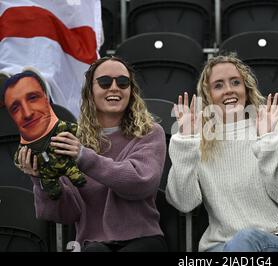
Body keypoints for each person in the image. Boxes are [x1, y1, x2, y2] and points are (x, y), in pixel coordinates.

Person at [17, 56, 168, 252]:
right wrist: (41, 178)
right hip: (92, 244)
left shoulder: (149, 133)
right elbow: (66, 213)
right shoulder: (73, 141)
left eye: (123, 82)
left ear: (131, 92)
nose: (114, 87)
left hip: (142, 239)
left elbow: (141, 182)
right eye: (105, 82)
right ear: (91, 91)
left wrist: (84, 158)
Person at [165, 53, 278, 252]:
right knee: (240, 243)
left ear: (246, 88)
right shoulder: (198, 140)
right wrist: (186, 142)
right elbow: (184, 202)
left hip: (277, 243)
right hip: (221, 246)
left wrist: (266, 139)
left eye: (235, 82)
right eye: (218, 85)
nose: (229, 90)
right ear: (208, 95)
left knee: (245, 238)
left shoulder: (269, 127)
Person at [1, 69, 85, 200]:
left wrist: (83, 153)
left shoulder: (62, 124)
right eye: (15, 107)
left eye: (33, 98)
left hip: (65, 180)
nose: (28, 113)